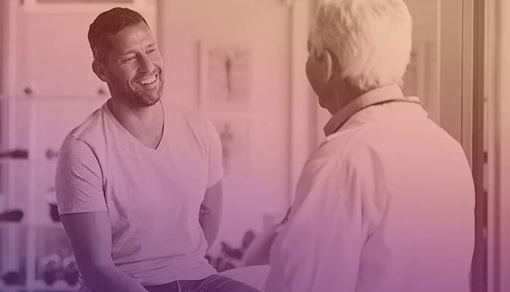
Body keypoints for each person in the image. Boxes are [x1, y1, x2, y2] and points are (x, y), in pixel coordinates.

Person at [263, 0, 475, 292]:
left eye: (310, 53)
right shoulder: (449, 150)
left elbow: (299, 285)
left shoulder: (342, 160)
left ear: (325, 64)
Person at [54, 7, 259, 292]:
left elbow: (207, 225)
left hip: (199, 278)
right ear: (102, 71)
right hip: (126, 285)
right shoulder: (83, 148)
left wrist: (181, 265)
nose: (148, 66)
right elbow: (96, 267)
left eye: (151, 50)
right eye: (129, 58)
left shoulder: (199, 129)